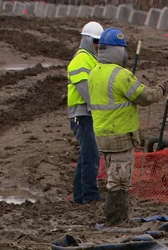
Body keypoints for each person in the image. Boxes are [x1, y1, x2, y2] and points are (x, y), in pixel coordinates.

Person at [88, 27, 165, 225]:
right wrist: (161, 90)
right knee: (119, 180)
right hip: (120, 136)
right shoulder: (121, 75)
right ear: (117, 51)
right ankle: (116, 221)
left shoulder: (94, 73)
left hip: (102, 135)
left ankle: (118, 219)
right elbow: (145, 97)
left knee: (113, 176)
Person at [67, 21, 105, 204]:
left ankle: (80, 196)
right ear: (88, 40)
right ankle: (90, 196)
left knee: (86, 155)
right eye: (97, 41)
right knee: (91, 155)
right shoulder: (81, 60)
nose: (99, 45)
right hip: (81, 115)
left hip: (86, 114)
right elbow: (88, 92)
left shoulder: (92, 59)